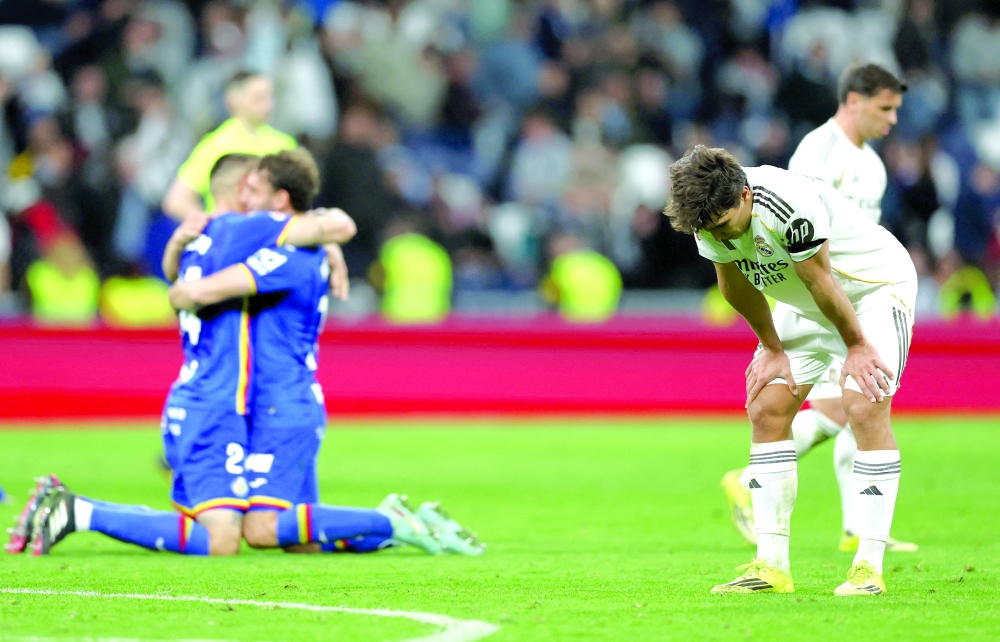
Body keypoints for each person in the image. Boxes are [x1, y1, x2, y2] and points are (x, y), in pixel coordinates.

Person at [10, 153, 356, 556]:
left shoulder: (201, 236)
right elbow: (340, 224)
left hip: (215, 394)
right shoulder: (246, 231)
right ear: (244, 192)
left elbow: (177, 275)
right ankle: (80, 512)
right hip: (216, 400)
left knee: (294, 537)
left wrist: (176, 256)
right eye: (253, 187)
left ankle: (382, 530)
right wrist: (326, 240)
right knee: (225, 538)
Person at [166, 149, 484, 556]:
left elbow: (200, 288)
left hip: (279, 404)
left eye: (256, 189)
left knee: (260, 530)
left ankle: (391, 521)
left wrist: (182, 290)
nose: (248, 198)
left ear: (279, 200)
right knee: (303, 544)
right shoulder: (291, 244)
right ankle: (388, 531)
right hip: (282, 400)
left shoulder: (274, 247)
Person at [665, 146, 917, 596]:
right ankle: (771, 567)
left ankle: (867, 569)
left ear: (745, 194)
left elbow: (823, 280)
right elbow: (733, 284)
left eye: (723, 227)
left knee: (863, 403)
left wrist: (857, 346)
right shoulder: (708, 213)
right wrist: (770, 346)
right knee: (766, 406)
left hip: (871, 292)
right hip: (806, 299)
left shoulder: (788, 203)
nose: (718, 237)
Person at [721, 64, 918, 554]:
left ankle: (857, 528)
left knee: (853, 407)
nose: (892, 120)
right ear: (854, 100)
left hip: (849, 292)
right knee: (844, 405)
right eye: (885, 108)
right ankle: (750, 482)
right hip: (817, 297)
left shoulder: (872, 163)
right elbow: (797, 239)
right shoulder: (819, 151)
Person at [161, 71, 296, 222]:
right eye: (258, 98)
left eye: (269, 96)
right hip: (232, 240)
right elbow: (176, 200)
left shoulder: (285, 144)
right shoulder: (216, 145)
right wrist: (212, 226)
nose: (269, 105)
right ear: (233, 101)